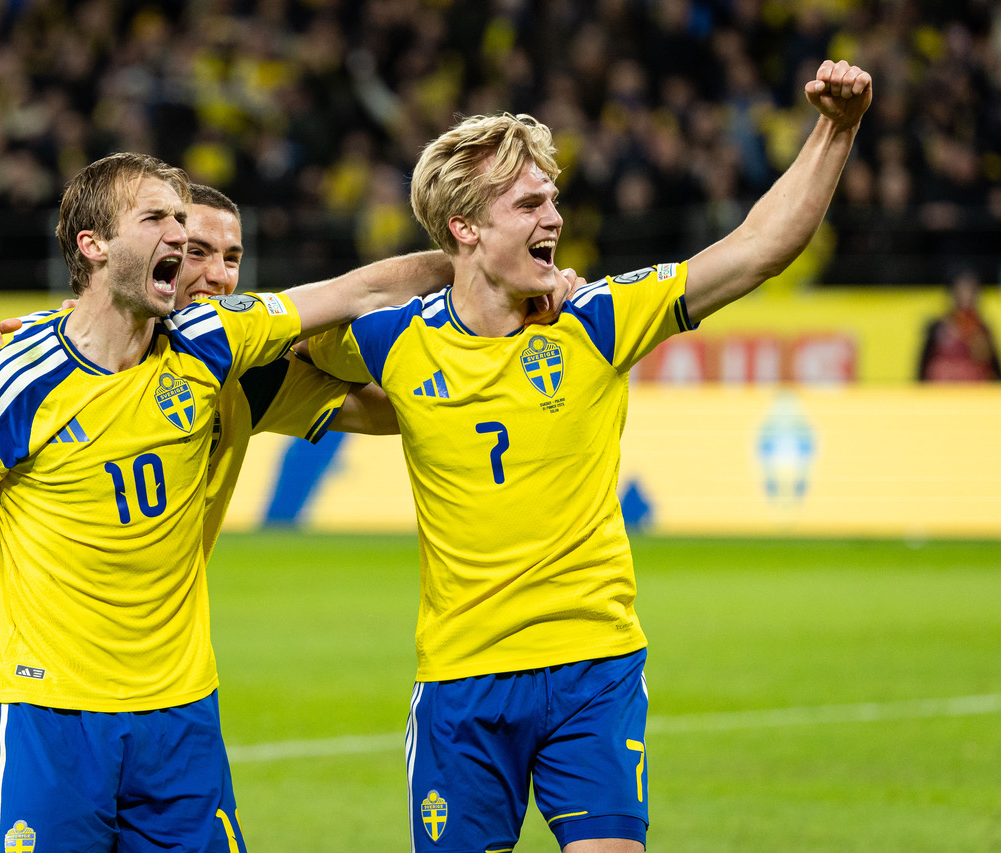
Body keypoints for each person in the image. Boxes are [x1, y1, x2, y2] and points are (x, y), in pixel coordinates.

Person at [0, 153, 533, 853]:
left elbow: (365, 307)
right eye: (169, 227)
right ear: (95, 247)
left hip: (174, 701)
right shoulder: (20, 364)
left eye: (227, 252)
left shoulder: (224, 351)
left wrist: (499, 270)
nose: (205, 260)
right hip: (29, 687)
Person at [308, 60, 873, 852]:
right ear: (466, 227)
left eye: (554, 200)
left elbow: (757, 250)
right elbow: (270, 359)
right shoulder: (392, 338)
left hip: (592, 667)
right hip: (462, 680)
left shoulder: (596, 320)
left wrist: (836, 129)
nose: (554, 218)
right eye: (530, 203)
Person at [917, 268, 1001, 382]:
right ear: (953, 295)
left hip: (974, 392)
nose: (967, 297)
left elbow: (997, 368)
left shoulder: (981, 329)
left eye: (971, 292)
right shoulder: (938, 327)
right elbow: (922, 366)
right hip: (941, 391)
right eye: (962, 292)